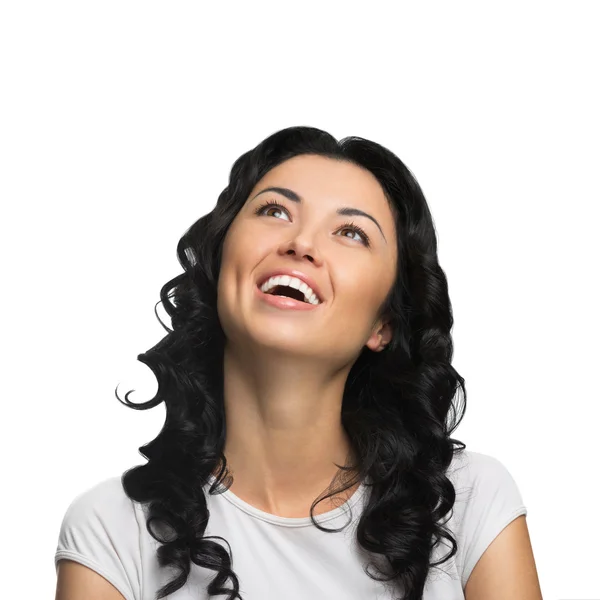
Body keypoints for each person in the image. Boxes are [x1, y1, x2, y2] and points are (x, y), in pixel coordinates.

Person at [54, 126, 543, 600]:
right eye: (274, 210)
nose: (301, 244)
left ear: (384, 325)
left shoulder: (469, 502)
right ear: (221, 262)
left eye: (351, 232)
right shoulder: (113, 530)